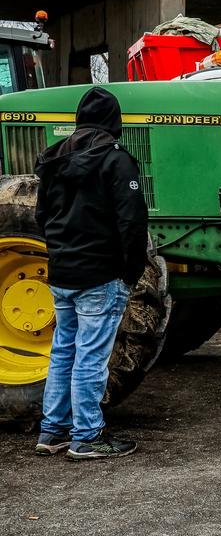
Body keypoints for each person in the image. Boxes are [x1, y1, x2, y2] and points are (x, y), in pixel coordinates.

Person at [34, 87, 147, 460]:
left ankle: (52, 431)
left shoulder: (53, 160)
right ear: (114, 124)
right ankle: (87, 436)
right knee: (91, 356)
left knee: (64, 349)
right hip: (100, 274)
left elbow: (41, 218)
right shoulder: (117, 161)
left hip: (63, 273)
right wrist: (130, 272)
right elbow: (132, 222)